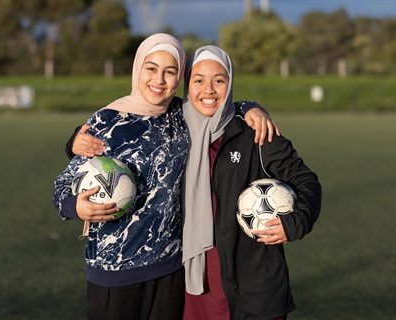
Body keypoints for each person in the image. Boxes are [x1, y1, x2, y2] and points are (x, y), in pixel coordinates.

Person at [53, 33, 277, 320]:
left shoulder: (180, 114)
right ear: (138, 69)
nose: (159, 80)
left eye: (170, 72)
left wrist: (251, 107)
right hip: (113, 272)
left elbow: (214, 102)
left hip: (169, 271)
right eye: (151, 68)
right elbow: (62, 186)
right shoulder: (107, 121)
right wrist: (76, 206)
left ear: (179, 77)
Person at [181, 46, 322, 320]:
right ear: (186, 86)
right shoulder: (172, 133)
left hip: (254, 288)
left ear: (230, 83)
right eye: (198, 80)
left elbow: (306, 181)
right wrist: (77, 138)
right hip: (192, 287)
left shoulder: (256, 133)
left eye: (219, 80)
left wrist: (295, 223)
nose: (208, 90)